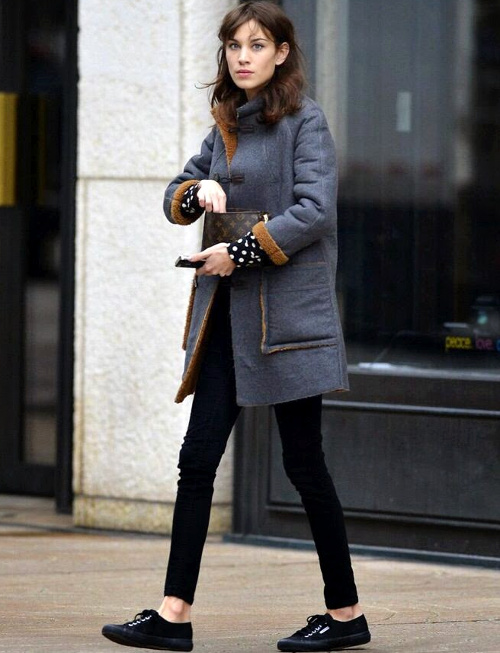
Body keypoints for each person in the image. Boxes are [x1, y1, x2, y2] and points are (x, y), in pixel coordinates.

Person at [102, 2, 371, 651]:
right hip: (226, 318)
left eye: (257, 44)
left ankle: (346, 614)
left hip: (287, 321)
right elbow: (178, 191)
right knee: (197, 459)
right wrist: (196, 193)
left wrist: (242, 250)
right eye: (233, 45)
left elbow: (315, 211)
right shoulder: (225, 122)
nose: (243, 56)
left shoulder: (306, 121)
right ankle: (173, 614)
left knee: (304, 464)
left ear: (282, 52)